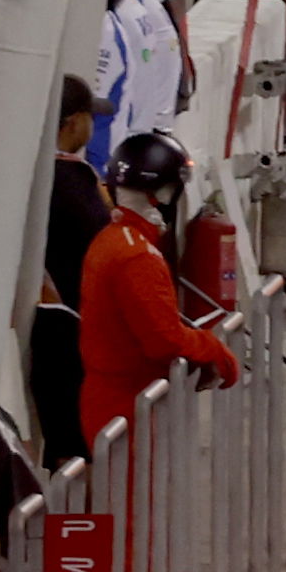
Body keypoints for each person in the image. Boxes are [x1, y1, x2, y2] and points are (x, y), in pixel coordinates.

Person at [75, 131, 237, 449]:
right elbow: (163, 340)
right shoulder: (137, 255)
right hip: (130, 405)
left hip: (110, 399)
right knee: (137, 498)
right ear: (160, 194)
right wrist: (214, 351)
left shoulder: (111, 240)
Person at [34, 75, 113, 467]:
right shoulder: (72, 184)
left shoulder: (33, 175)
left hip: (58, 330)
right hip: (73, 335)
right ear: (73, 123)